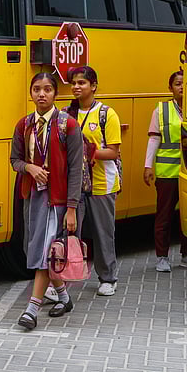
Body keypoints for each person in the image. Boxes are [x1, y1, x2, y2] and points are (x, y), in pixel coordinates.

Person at [10, 72, 83, 331]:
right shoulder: (24, 124)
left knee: (45, 252)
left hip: (58, 199)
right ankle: (63, 296)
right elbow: (14, 160)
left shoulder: (68, 125)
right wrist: (29, 168)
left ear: (55, 94)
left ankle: (32, 309)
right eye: (37, 89)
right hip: (33, 196)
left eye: (47, 89)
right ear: (31, 93)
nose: (42, 94)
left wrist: (72, 208)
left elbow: (76, 170)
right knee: (37, 248)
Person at [145, 70, 187, 272]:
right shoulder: (161, 110)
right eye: (178, 83)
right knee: (164, 215)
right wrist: (148, 165)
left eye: (185, 83)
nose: (182, 87)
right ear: (170, 88)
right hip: (167, 173)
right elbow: (154, 139)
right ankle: (162, 257)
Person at [66, 66, 122, 297]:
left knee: (102, 233)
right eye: (74, 83)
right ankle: (62, 280)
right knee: (70, 233)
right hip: (75, 185)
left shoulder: (107, 114)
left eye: (82, 83)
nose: (76, 87)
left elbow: (113, 152)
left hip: (102, 184)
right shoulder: (66, 113)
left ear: (94, 86)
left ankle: (108, 278)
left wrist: (89, 152)